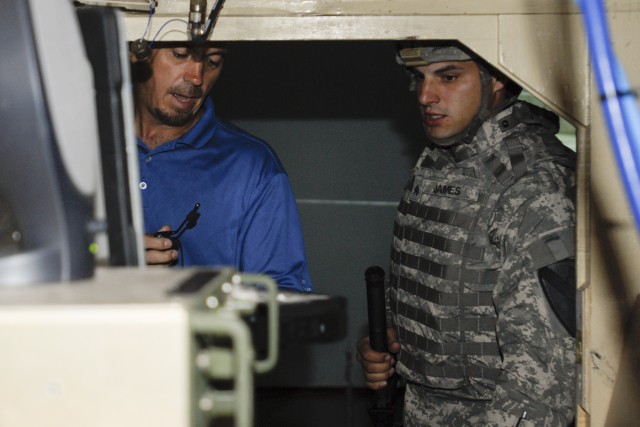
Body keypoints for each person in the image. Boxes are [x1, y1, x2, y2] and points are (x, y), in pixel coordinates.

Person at [357, 41, 576, 426]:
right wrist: (391, 340)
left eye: (449, 76)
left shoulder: (535, 185)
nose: (425, 96)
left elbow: (543, 374)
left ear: (498, 79)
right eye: (418, 79)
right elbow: (437, 281)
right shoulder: (443, 160)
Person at [130, 41, 312, 293]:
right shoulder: (75, 147)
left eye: (213, 61)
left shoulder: (253, 167)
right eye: (180, 54)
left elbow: (280, 299)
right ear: (135, 53)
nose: (197, 76)